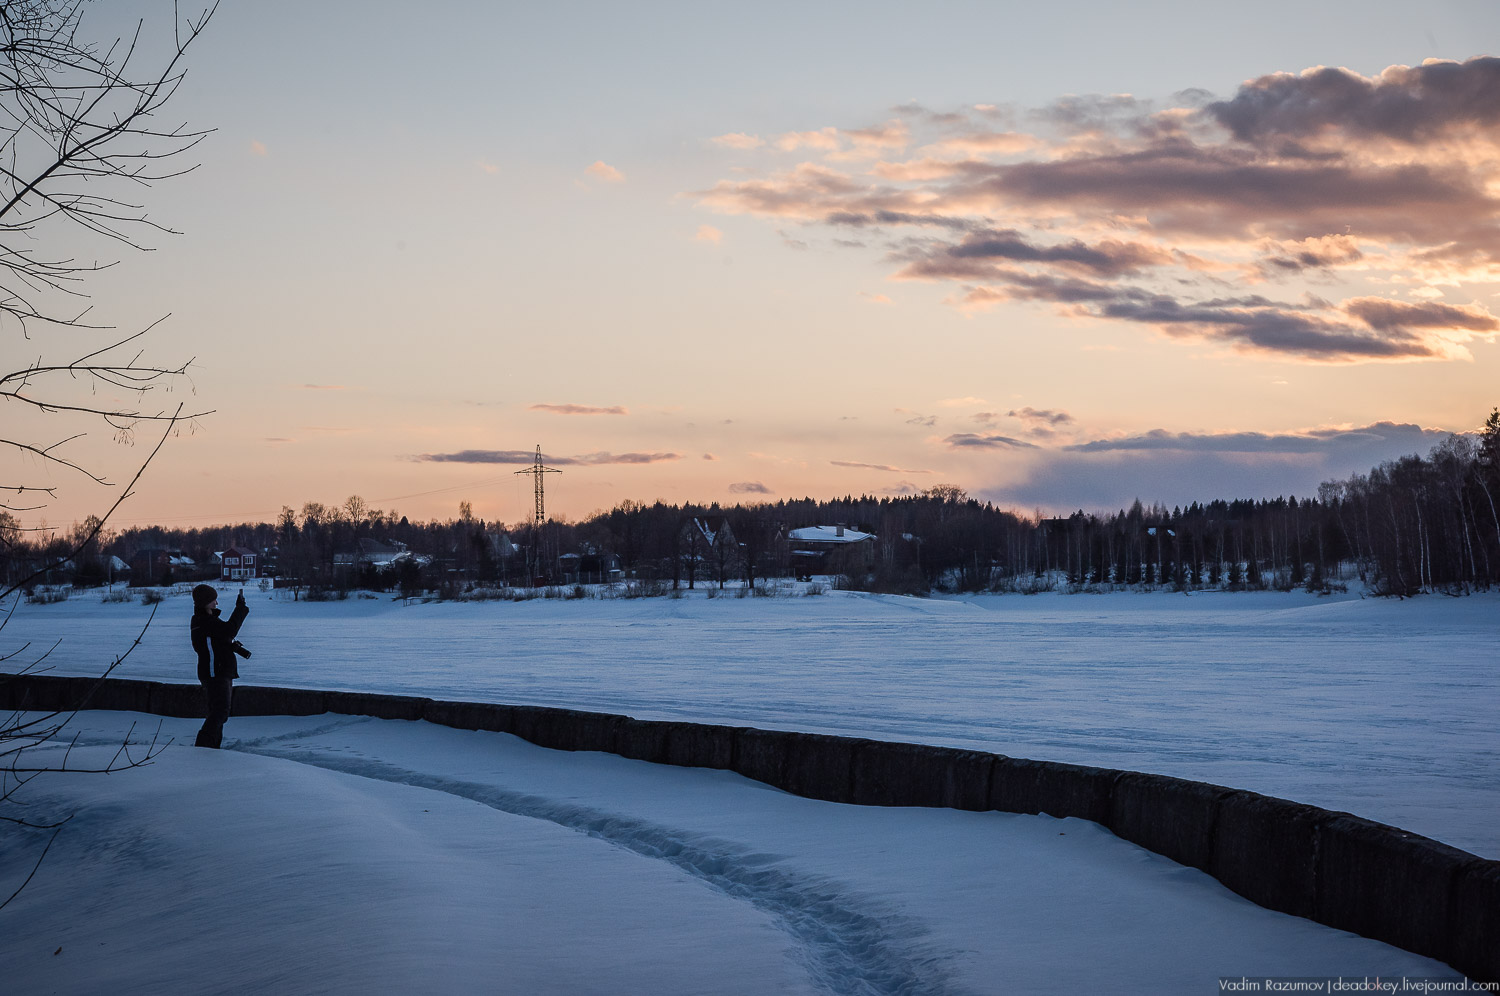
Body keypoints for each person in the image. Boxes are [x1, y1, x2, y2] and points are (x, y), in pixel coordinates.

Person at [191, 584, 249, 749]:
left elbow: (220, 637)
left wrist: (230, 646)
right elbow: (229, 630)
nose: (216, 603)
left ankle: (212, 749)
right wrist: (240, 608)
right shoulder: (204, 621)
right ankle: (203, 747)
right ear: (205, 602)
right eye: (213, 600)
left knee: (218, 712)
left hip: (219, 670)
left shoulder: (208, 621)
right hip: (215, 672)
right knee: (220, 711)